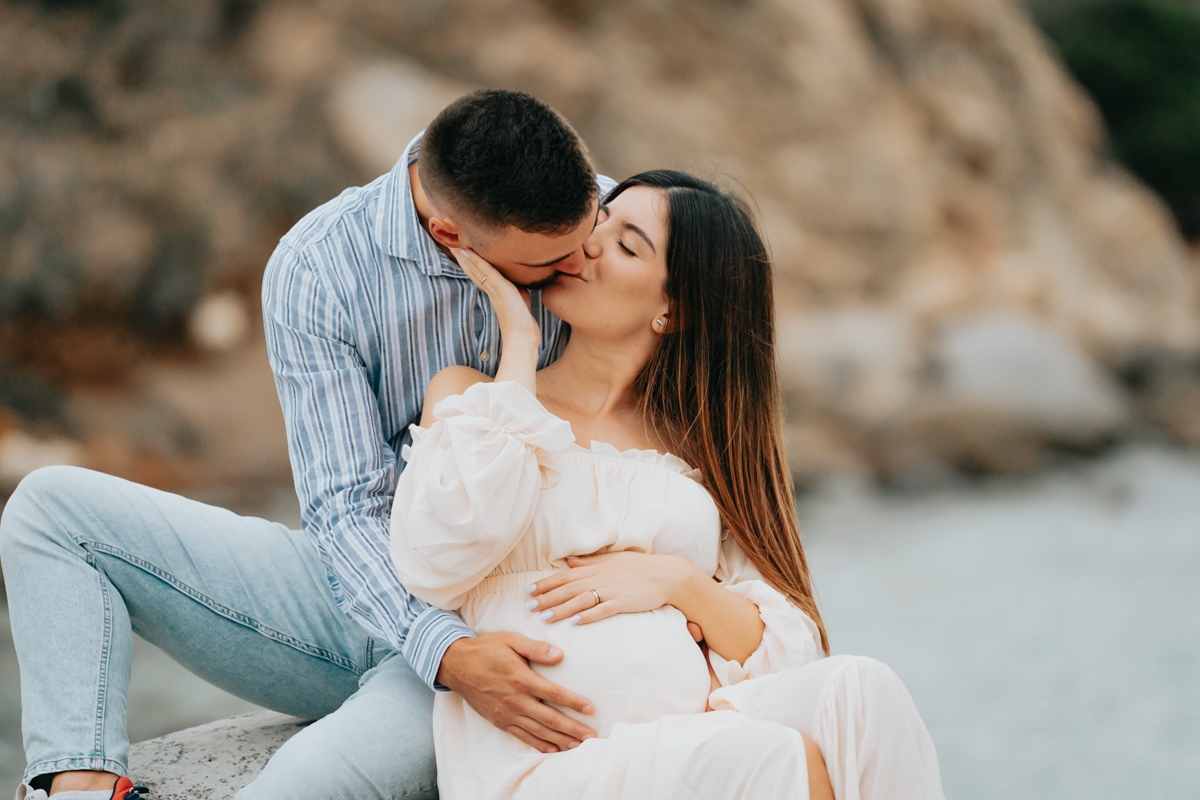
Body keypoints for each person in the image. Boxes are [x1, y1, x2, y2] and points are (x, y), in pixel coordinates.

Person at [1, 90, 615, 799]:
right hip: (363, 596)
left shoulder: (611, 224)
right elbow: (346, 507)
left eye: (591, 232)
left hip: (518, 629)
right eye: (548, 264)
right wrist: (442, 648)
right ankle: (84, 789)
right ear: (451, 234)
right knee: (50, 510)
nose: (582, 265)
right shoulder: (320, 266)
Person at [388, 170, 945, 799]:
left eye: (628, 246)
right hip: (552, 766)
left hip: (690, 733)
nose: (591, 244)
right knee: (770, 758)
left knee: (862, 689)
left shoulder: (694, 449)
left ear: (672, 311)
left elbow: (789, 650)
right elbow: (432, 559)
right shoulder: (475, 399)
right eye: (600, 222)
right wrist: (519, 341)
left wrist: (677, 583)